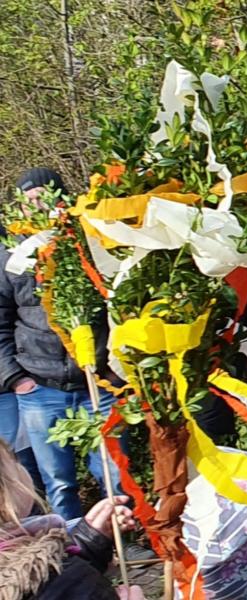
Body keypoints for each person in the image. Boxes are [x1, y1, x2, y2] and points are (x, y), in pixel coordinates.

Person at [0, 168, 120, 521]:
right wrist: (16, 379)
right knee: (59, 481)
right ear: (20, 208)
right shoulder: (12, 260)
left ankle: (121, 540)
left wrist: (116, 366)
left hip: (98, 381)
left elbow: (118, 306)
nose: (40, 206)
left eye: (47, 196)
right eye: (31, 200)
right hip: (40, 386)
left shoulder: (89, 244)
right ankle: (72, 549)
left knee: (114, 474)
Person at [0, 438, 140, 600]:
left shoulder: (32, 572)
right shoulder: (57, 579)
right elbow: (64, 583)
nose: (22, 467)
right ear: (6, 497)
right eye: (15, 461)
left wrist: (88, 544)